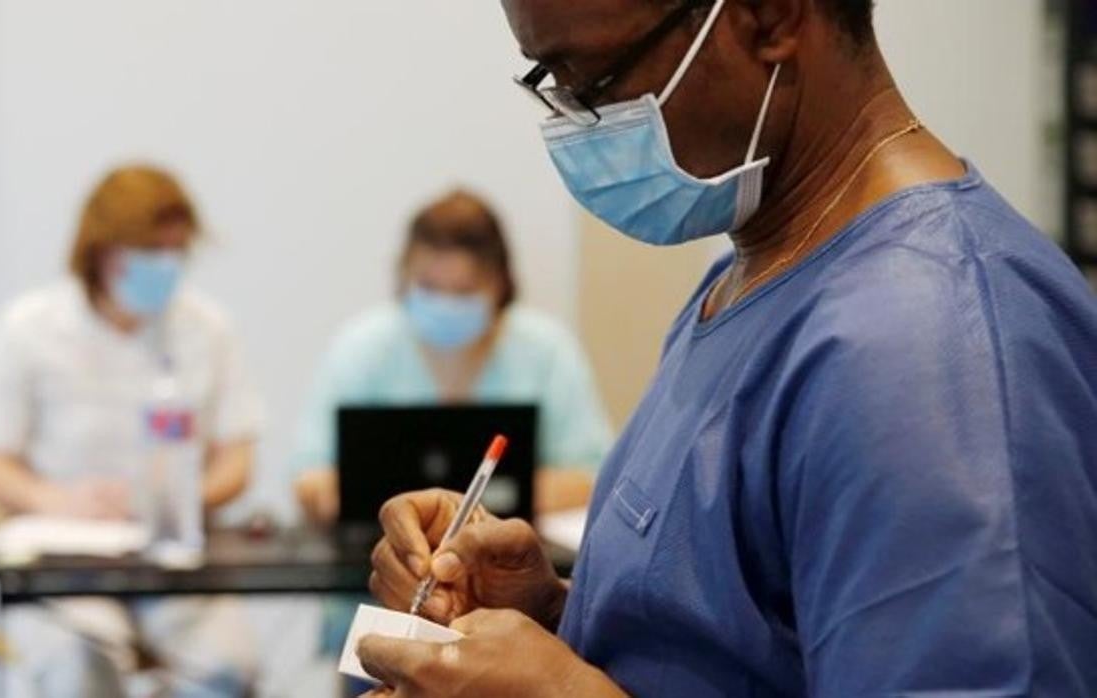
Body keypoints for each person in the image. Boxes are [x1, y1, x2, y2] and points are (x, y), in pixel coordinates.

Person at [357, 1, 1097, 696]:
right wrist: (553, 617)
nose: (579, 123)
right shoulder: (755, 276)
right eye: (551, 81)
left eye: (596, 79)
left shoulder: (931, 344)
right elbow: (754, 641)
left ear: (768, 15)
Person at [0, 165, 263, 697]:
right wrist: (54, 499)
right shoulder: (30, 327)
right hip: (65, 566)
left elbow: (236, 461)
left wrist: (175, 498)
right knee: (80, 666)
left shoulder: (206, 329)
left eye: (175, 251)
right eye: (148, 252)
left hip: (174, 561)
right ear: (100, 252)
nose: (163, 267)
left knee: (227, 667)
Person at [291, 189, 613, 524]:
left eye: (463, 291)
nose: (445, 303)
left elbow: (592, 476)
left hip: (510, 553)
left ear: (500, 283)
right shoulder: (361, 348)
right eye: (429, 287)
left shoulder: (547, 350)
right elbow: (309, 477)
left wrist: (464, 506)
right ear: (404, 275)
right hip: (376, 553)